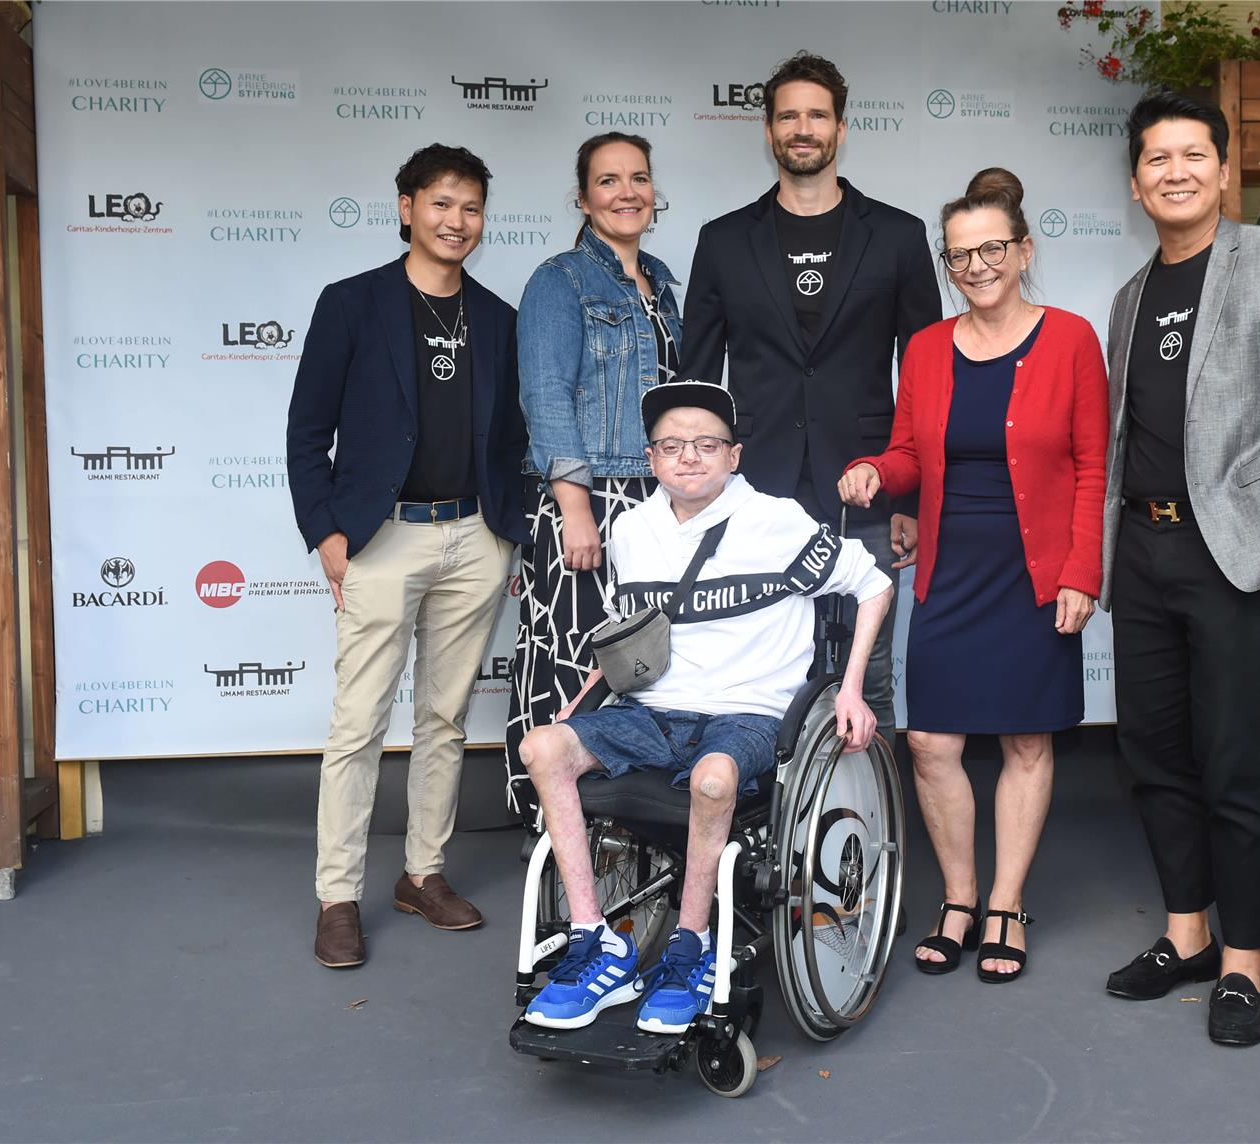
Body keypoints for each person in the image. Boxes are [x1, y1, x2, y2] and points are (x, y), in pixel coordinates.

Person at [518, 380, 892, 1032]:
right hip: (655, 712)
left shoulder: (776, 521)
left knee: (713, 778)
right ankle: (593, 937)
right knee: (541, 746)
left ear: (733, 455)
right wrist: (581, 701)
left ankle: (688, 951)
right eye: (672, 446)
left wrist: (853, 688)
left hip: (748, 714)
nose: (689, 457)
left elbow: (874, 584)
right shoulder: (631, 530)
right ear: (652, 459)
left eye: (706, 444)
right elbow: (636, 638)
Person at [1099, 91, 1260, 1045]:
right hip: (1145, 551)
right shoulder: (1128, 298)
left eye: (1192, 155)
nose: (1175, 171)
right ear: (1135, 182)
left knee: (1239, 764)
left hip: (1235, 555)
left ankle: (1244, 966)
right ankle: (1186, 935)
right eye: (1157, 159)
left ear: (1223, 170)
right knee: (1154, 757)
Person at [840, 168, 1108, 984]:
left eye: (993, 248)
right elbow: (911, 452)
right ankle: (957, 899)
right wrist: (875, 473)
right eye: (960, 256)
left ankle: (1005, 905)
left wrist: (1081, 572)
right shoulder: (925, 349)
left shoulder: (1070, 339)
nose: (978, 266)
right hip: (952, 570)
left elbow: (1095, 466)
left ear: (1024, 250)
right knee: (931, 741)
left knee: (1027, 741)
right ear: (948, 266)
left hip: (1035, 572)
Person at [286, 143, 531, 969]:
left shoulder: (498, 319)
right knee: (357, 723)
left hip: (474, 539)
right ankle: (338, 895)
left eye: (470, 208)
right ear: (405, 207)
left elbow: (514, 439)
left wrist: (509, 531)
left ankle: (423, 874)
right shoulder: (352, 305)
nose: (456, 221)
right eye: (441, 204)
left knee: (445, 720)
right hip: (381, 537)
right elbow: (305, 430)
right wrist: (327, 531)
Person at [682, 50, 941, 734]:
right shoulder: (723, 241)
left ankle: (867, 834)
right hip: (755, 491)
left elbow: (925, 379)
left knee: (871, 676)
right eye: (789, 116)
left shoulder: (898, 236)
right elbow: (696, 381)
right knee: (761, 672)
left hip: (867, 489)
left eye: (817, 115)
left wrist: (908, 497)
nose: (804, 128)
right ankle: (770, 832)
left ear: (841, 129)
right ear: (768, 131)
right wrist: (699, 494)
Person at [506, 132, 683, 827]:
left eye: (638, 178)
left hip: (653, 500)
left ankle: (616, 818)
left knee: (638, 661)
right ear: (583, 198)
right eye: (608, 181)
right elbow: (546, 397)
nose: (627, 192)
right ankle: (547, 824)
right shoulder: (560, 280)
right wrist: (574, 507)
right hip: (588, 498)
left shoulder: (664, 284)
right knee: (570, 662)